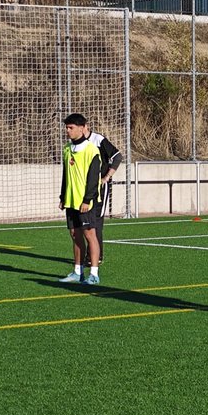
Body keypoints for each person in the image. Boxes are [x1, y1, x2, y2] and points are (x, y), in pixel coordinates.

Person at [58, 113, 103, 286]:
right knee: (75, 234)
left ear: (82, 128)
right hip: (71, 201)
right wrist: (63, 196)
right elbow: (65, 175)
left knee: (90, 234)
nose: (67, 131)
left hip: (86, 202)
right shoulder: (67, 149)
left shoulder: (91, 150)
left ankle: (94, 274)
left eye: (71, 127)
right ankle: (78, 272)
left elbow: (93, 179)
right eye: (66, 127)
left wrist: (87, 199)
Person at [78, 121, 122, 270]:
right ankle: (88, 256)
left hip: (100, 189)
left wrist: (106, 177)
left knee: (96, 222)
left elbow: (117, 157)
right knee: (85, 223)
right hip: (84, 189)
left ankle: (97, 257)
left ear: (85, 127)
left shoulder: (98, 140)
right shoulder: (77, 144)